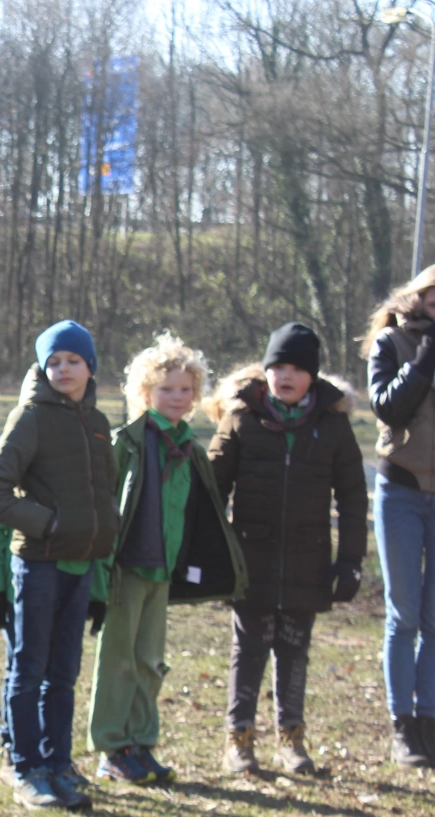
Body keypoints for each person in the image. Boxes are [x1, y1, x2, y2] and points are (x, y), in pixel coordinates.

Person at [207, 323, 367, 774]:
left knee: (294, 648)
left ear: (312, 376)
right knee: (249, 648)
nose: (286, 376)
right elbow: (213, 490)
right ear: (266, 370)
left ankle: (291, 740)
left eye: (297, 368)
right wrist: (211, 553)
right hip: (250, 559)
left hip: (308, 558)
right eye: (278, 366)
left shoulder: (333, 427)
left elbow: (353, 496)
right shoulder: (240, 417)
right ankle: (238, 739)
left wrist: (351, 561)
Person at [87, 334, 245, 784]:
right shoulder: (127, 443)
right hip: (125, 570)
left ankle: (141, 743)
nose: (177, 398)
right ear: (145, 394)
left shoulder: (192, 450)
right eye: (166, 390)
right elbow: (106, 506)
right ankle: (110, 747)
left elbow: (202, 515)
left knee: (150, 660)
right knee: (117, 658)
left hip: (164, 570)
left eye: (185, 390)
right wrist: (99, 575)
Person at [0, 320, 119, 810]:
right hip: (38, 565)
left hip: (81, 570)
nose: (63, 369)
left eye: (73, 361)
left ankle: (59, 764)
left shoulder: (99, 426)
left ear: (90, 367)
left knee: (64, 673)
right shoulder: (30, 417)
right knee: (29, 670)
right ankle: (25, 768)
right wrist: (50, 525)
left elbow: (105, 502)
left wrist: (100, 577)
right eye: (53, 361)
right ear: (42, 367)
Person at [364, 267, 435, 766]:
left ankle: (430, 719)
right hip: (402, 489)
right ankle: (403, 725)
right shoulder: (391, 342)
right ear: (421, 296)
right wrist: (426, 357)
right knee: (404, 613)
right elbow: (388, 408)